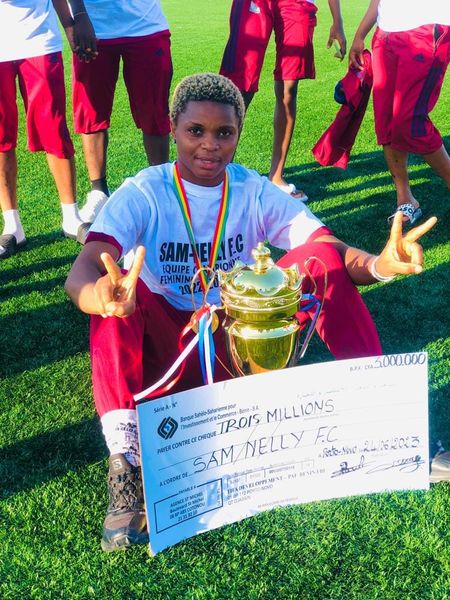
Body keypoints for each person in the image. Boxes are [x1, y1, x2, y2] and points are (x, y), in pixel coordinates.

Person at [65, 73, 436, 551]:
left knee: (318, 260)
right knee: (116, 301)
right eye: (195, 131)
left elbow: (325, 250)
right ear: (173, 128)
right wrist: (100, 297)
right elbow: (80, 275)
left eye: (225, 133)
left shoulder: (252, 188)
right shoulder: (144, 192)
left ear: (239, 133)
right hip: (164, 350)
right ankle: (128, 470)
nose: (210, 146)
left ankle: (384, 424)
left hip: (234, 344)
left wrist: (379, 265)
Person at [220, 0, 346, 199]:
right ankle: (220, 175)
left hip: (297, 4)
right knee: (240, 83)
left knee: (289, 89)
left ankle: (276, 177)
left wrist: (337, 20)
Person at [0, 0, 96, 259]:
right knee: (1, 137)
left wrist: (70, 24)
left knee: (54, 130)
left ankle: (71, 217)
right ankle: (12, 225)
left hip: (39, 39)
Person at [349, 0, 450, 225]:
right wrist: (360, 34)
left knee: (410, 122)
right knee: (386, 122)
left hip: (428, 28)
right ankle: (405, 198)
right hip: (385, 32)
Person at [72, 0, 173, 224]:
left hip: (146, 25)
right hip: (92, 25)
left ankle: (160, 187)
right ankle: (98, 191)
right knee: (91, 112)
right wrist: (78, 14)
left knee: (155, 114)